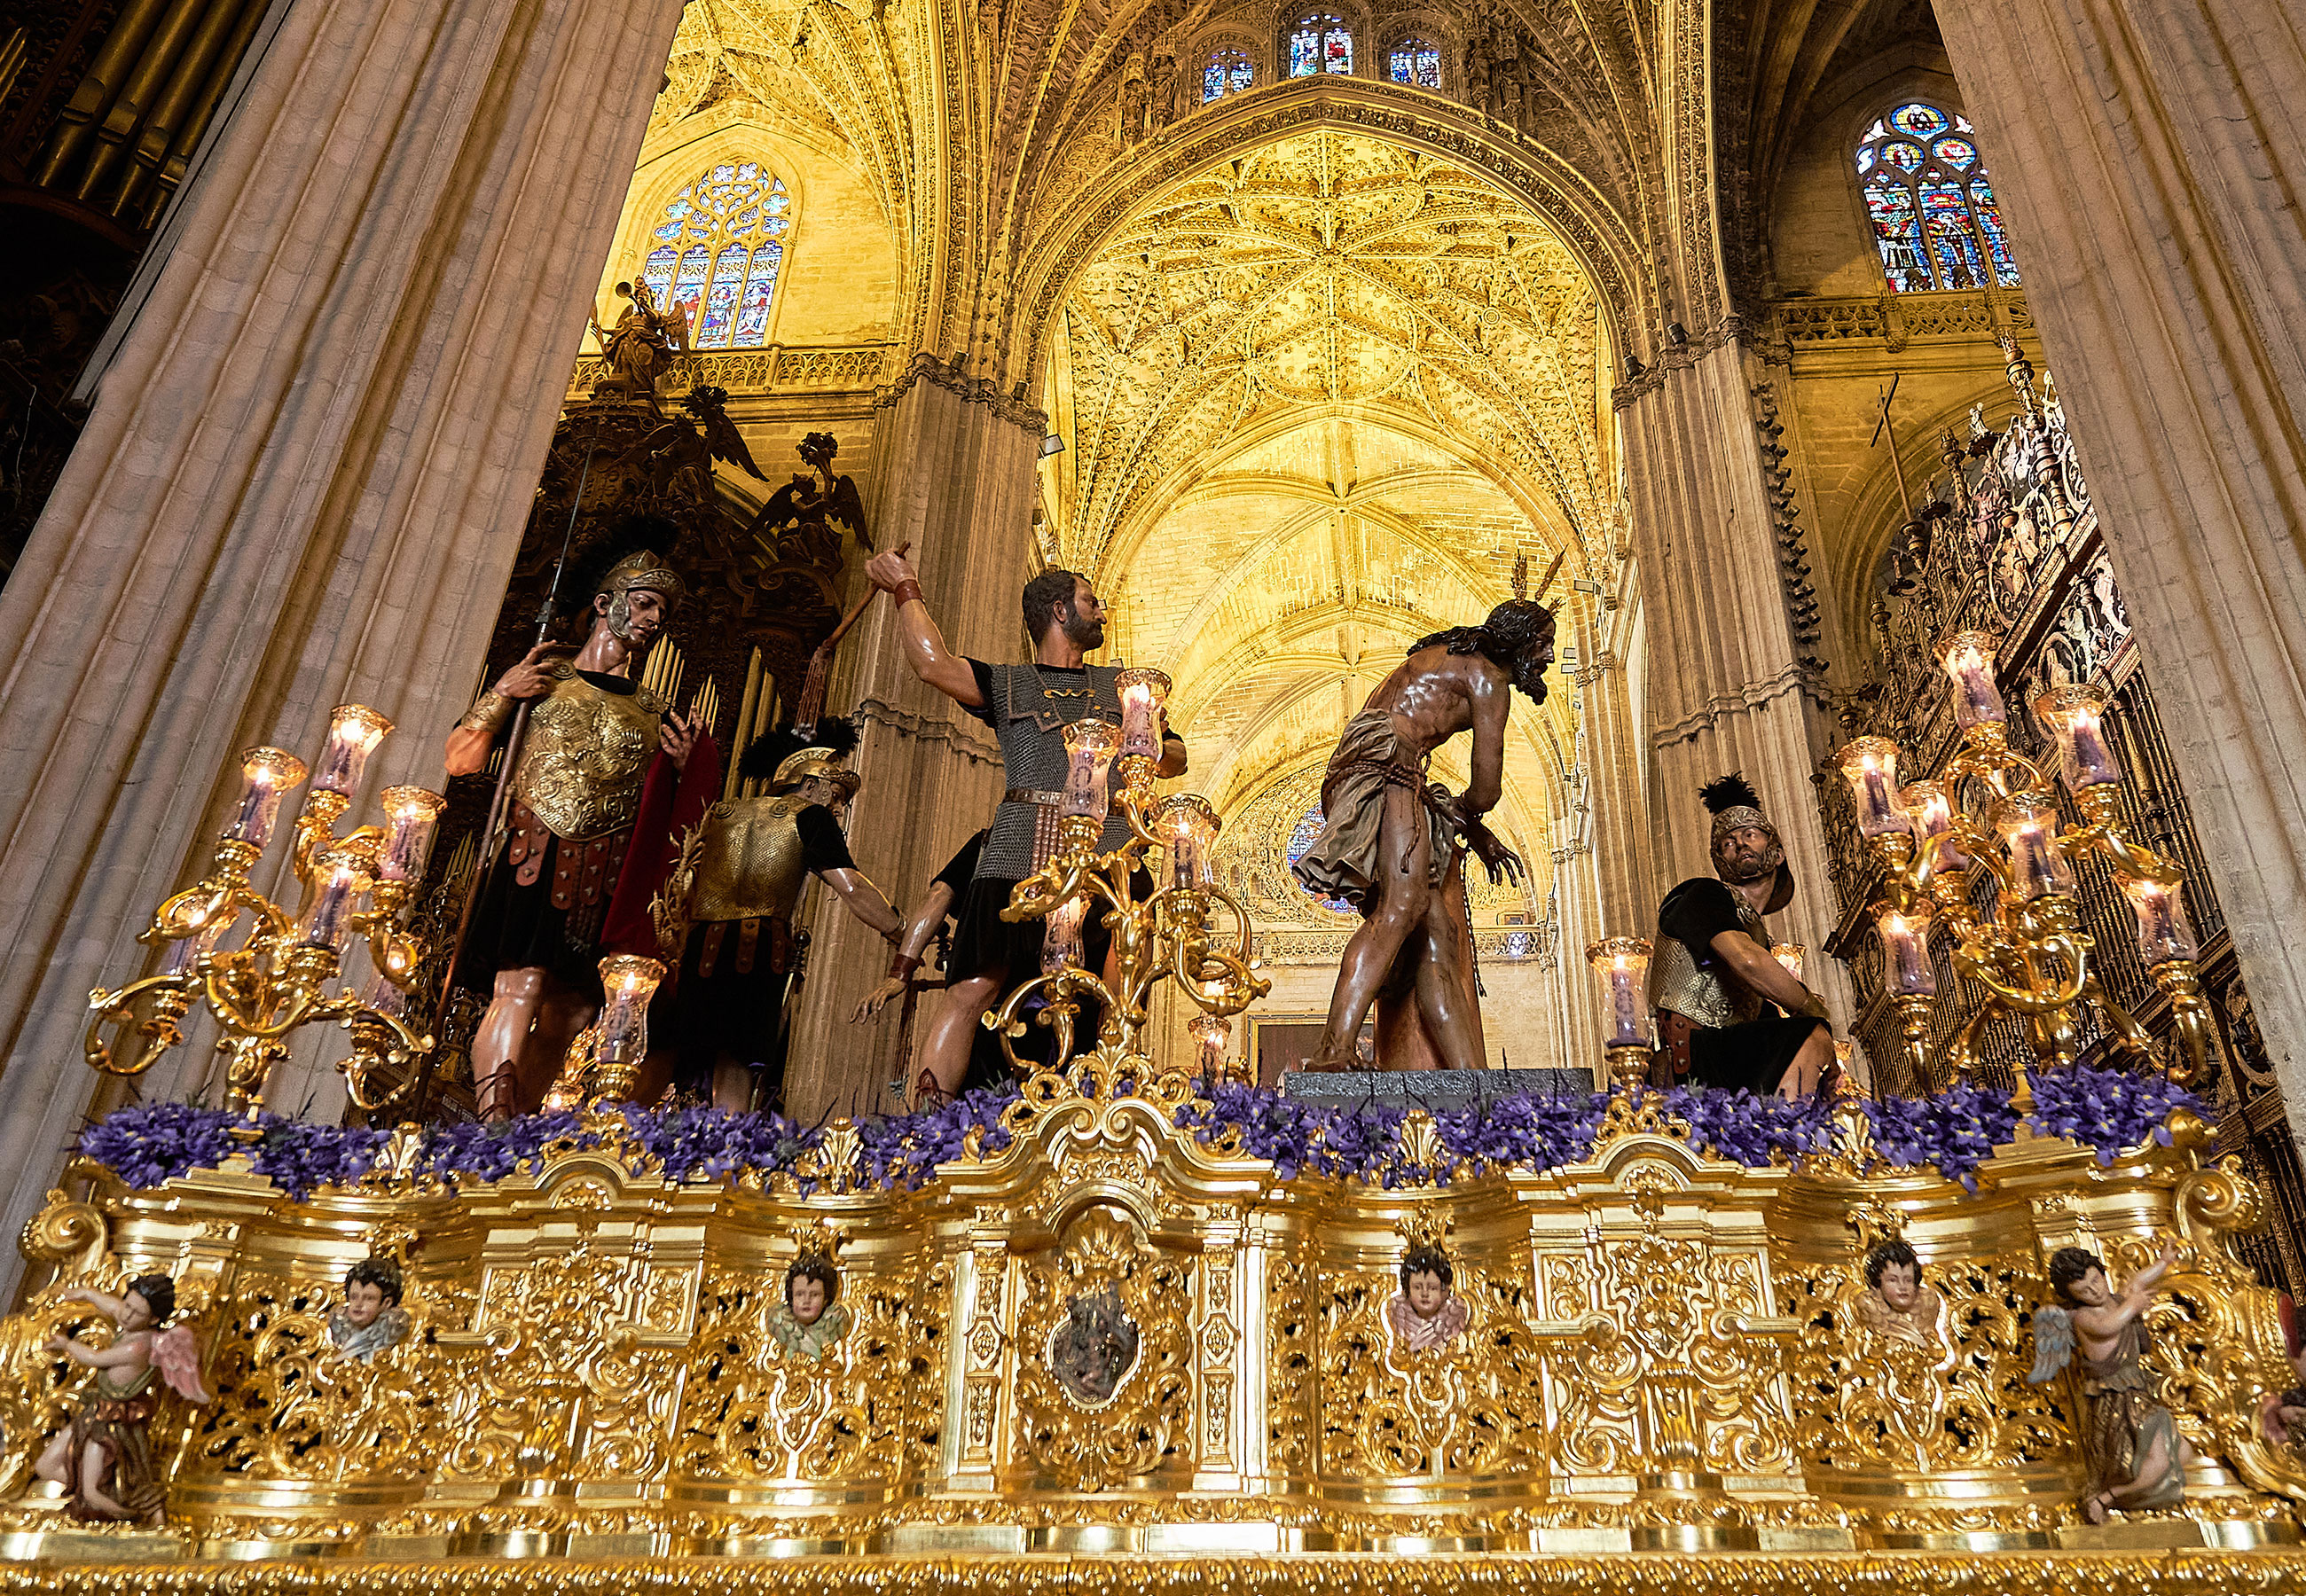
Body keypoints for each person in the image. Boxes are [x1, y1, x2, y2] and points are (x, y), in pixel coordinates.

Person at [446, 522, 717, 1121]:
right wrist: (502, 693)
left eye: (661, 613)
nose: (650, 619)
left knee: (569, 1012)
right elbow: (460, 760)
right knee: (519, 986)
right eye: (643, 603)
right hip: (533, 853)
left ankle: (520, 1123)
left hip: (601, 871)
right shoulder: (547, 679)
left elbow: (668, 820)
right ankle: (491, 1124)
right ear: (604, 603)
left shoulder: (654, 712)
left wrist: (679, 769)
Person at [862, 552, 1186, 1038]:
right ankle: (930, 1114)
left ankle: (1110, 1104)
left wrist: (1146, 746)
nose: (1101, 612)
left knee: (1116, 1001)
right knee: (971, 990)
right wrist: (906, 586)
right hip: (1021, 846)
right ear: (1060, 611)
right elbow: (932, 664)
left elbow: (1176, 756)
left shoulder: (1126, 690)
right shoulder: (1009, 683)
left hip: (1112, 853)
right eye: (1090, 602)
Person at [1290, 593, 1552, 1071]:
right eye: (1543, 644)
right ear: (1520, 641)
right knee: (1402, 906)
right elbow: (1486, 790)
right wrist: (1466, 814)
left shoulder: (1451, 657)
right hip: (1387, 768)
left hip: (1372, 766)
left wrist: (1471, 830)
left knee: (1438, 935)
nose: (1549, 657)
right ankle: (1334, 1051)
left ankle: (1471, 1077)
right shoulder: (1489, 678)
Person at [654, 717, 900, 1112]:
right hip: (756, 947)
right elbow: (851, 887)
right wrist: (899, 929)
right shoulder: (810, 816)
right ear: (810, 783)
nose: (837, 807)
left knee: (687, 1056)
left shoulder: (720, 811)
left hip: (699, 947)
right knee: (738, 1060)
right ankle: (728, 1152)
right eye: (835, 794)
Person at [1649, 773, 1836, 1099]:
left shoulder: (1758, 935)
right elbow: (1748, 961)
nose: (1740, 843)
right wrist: (1810, 1008)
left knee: (1817, 1063)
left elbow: (1761, 1012)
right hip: (1696, 1054)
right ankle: (1787, 1134)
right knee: (1812, 1035)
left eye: (1751, 834)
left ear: (1777, 853)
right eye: (1727, 843)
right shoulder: (1703, 894)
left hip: (1732, 1055)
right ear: (1720, 862)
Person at [2028, 1244, 2192, 1522]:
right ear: (2071, 1296)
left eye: (2096, 1280)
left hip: (2139, 1391)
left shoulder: (2118, 1299)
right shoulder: (2084, 1317)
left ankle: (2124, 1495)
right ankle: (2105, 1498)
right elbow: (2109, 1325)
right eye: (2084, 1290)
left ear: (2102, 1272)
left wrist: (2163, 1262)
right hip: (2115, 1398)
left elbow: (2138, 1281)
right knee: (2154, 1460)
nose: (2095, 1290)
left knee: (2183, 1452)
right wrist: (2134, 1304)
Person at [851, 829, 1012, 1106]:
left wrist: (901, 972)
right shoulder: (995, 841)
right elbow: (939, 895)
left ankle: (932, 1129)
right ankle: (931, 1128)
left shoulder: (1000, 838)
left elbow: (938, 896)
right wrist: (899, 973)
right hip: (993, 1021)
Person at [35, 1274, 209, 1522]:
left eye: (136, 1312)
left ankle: (134, 1516)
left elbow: (95, 1359)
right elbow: (113, 1306)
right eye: (128, 1304)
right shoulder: (131, 1320)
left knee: (92, 1493)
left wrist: (66, 1344)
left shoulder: (139, 1346)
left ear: (154, 1319)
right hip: (95, 1411)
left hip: (111, 1424)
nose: (126, 1315)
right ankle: (113, 1493)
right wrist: (86, 1294)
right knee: (45, 1466)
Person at [1855, 1236, 1944, 1350]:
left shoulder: (1928, 1302)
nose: (1902, 1287)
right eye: (1893, 1280)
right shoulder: (1868, 1305)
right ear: (1876, 1286)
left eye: (1908, 1280)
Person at [1385, 1244, 1471, 1354]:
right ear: (1407, 1290)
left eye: (1432, 1288)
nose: (1424, 1294)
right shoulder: (1398, 1311)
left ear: (1445, 1291)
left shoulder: (1454, 1313)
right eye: (1417, 1287)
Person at [327, 1257, 412, 1363]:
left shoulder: (392, 1331)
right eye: (354, 1297)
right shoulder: (336, 1326)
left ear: (387, 1303)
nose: (359, 1304)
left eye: (369, 1298)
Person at [767, 1252, 851, 1358]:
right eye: (800, 1294)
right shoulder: (779, 1322)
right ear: (791, 1298)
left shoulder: (835, 1322)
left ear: (826, 1299)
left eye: (815, 1295)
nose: (806, 1300)